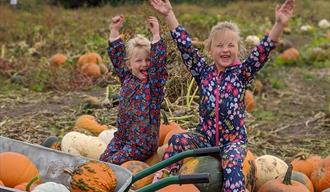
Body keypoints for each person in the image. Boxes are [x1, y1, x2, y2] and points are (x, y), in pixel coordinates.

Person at [150, 0, 295, 191]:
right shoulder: (203, 72)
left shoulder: (242, 74)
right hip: (204, 138)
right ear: (210, 49)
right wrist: (169, 14)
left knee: (234, 163)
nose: (225, 49)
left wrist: (279, 25)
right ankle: (165, 180)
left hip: (233, 141)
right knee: (177, 140)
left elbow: (262, 51)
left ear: (237, 49)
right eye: (219, 45)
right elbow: (185, 46)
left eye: (230, 45)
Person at [99, 15, 167, 164]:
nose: (144, 64)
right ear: (129, 65)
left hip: (142, 145)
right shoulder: (127, 78)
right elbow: (117, 56)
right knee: (102, 161)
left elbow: (159, 65)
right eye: (139, 61)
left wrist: (156, 35)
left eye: (148, 60)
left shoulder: (153, 85)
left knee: (112, 163)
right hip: (122, 138)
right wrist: (115, 30)